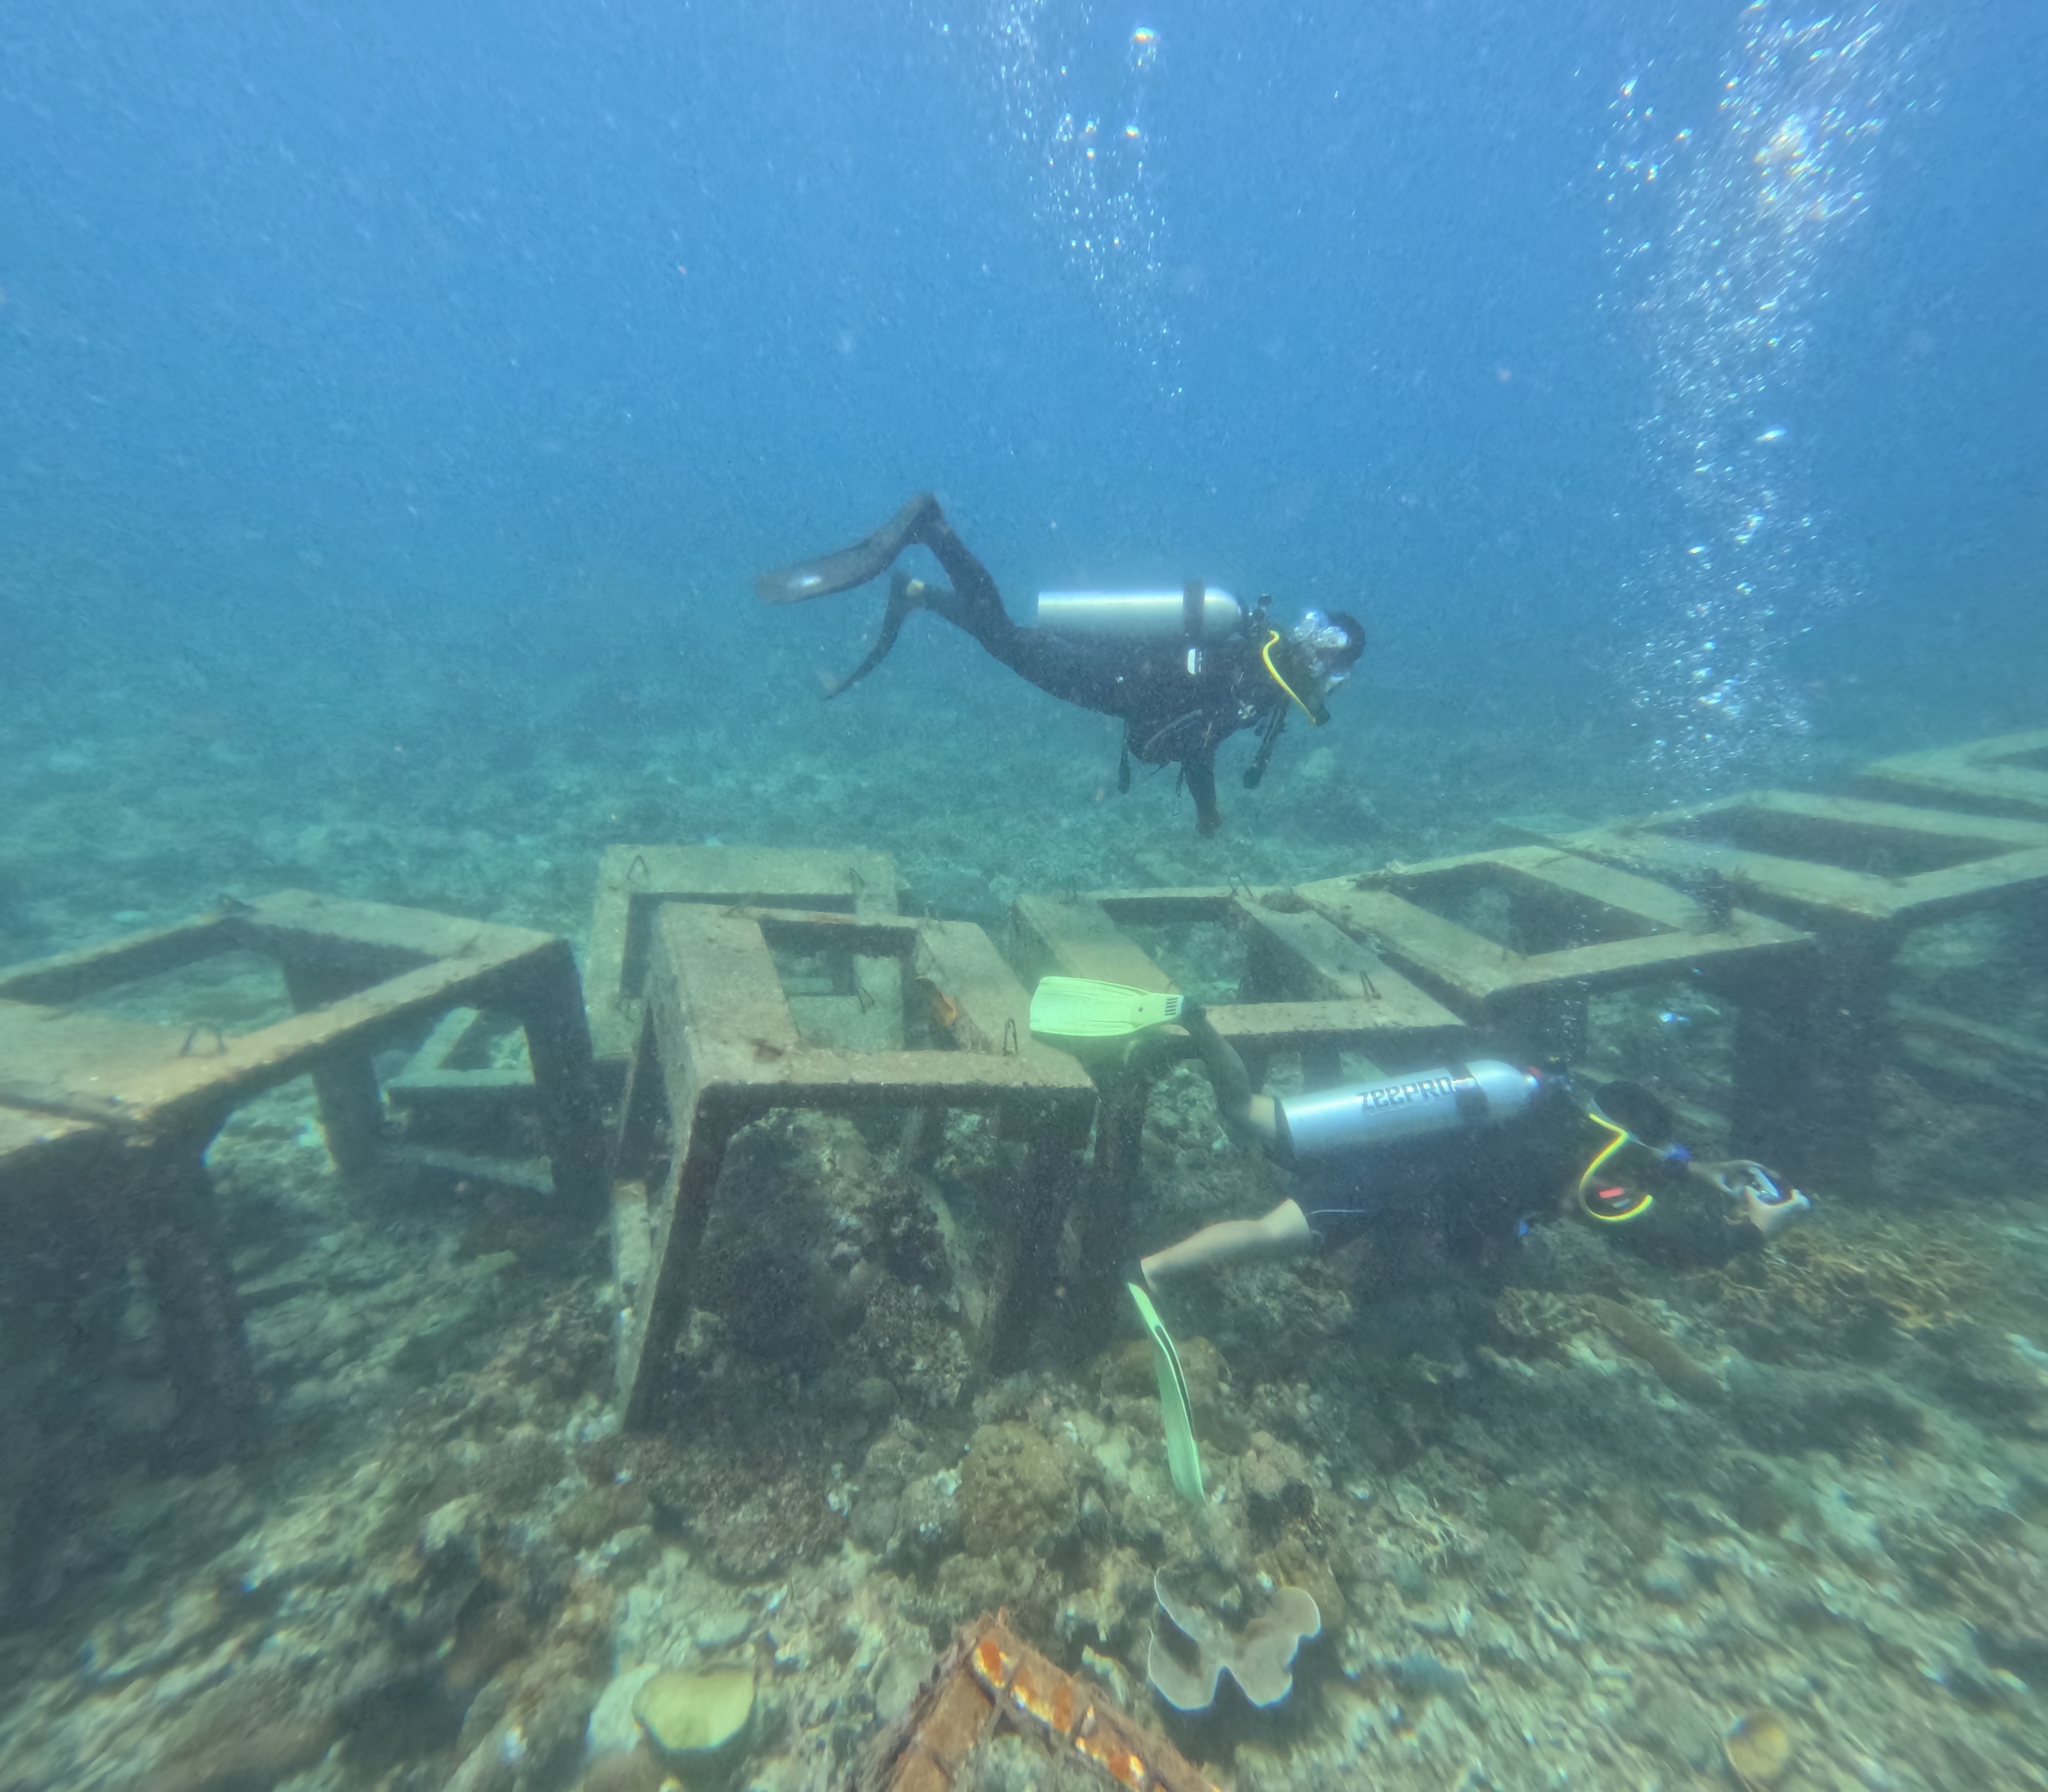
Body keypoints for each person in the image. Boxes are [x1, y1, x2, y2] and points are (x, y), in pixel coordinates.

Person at [755, 493, 1366, 836]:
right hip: (1105, 679)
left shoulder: (1257, 650)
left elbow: (1189, 720)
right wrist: (1207, 809)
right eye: (1333, 674)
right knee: (1004, 637)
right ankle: (934, 529)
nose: (1326, 683)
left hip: (1111, 667)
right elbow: (1192, 741)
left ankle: (917, 594)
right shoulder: (1259, 683)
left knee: (1006, 640)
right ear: (1327, 664)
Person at [1136, 1001, 1813, 1288]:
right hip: (1389, 1186)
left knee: (1244, 1111)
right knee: (1268, 1234)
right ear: (1628, 1148)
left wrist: (1700, 1172)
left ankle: (1197, 1020)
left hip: (1381, 1134)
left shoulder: (1555, 1104)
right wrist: (1754, 1232)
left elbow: (1639, 1159)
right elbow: (1668, 1247)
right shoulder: (1594, 1179)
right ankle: (1148, 1273)